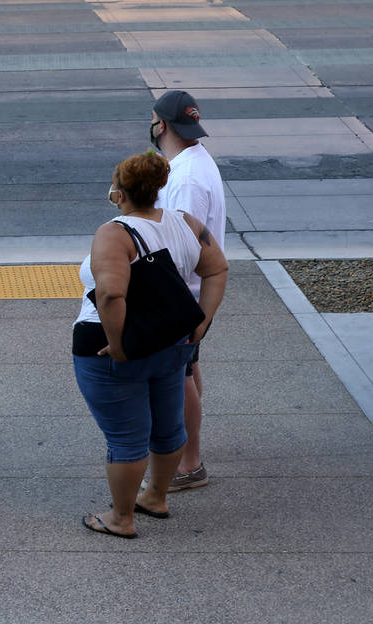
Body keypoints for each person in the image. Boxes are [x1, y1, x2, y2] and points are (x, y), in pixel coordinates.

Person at [73, 152, 228, 538]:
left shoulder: (114, 232)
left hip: (110, 345)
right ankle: (156, 496)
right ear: (159, 188)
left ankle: (120, 518)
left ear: (119, 192)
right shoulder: (185, 223)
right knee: (168, 424)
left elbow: (110, 295)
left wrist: (119, 345)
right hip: (172, 337)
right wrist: (202, 321)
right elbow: (217, 268)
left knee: (126, 436)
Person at [150, 90, 226, 491]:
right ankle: (185, 454)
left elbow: (182, 244)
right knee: (187, 366)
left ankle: (189, 463)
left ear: (161, 125)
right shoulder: (192, 162)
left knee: (175, 373)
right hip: (190, 293)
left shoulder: (187, 179)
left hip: (182, 292)